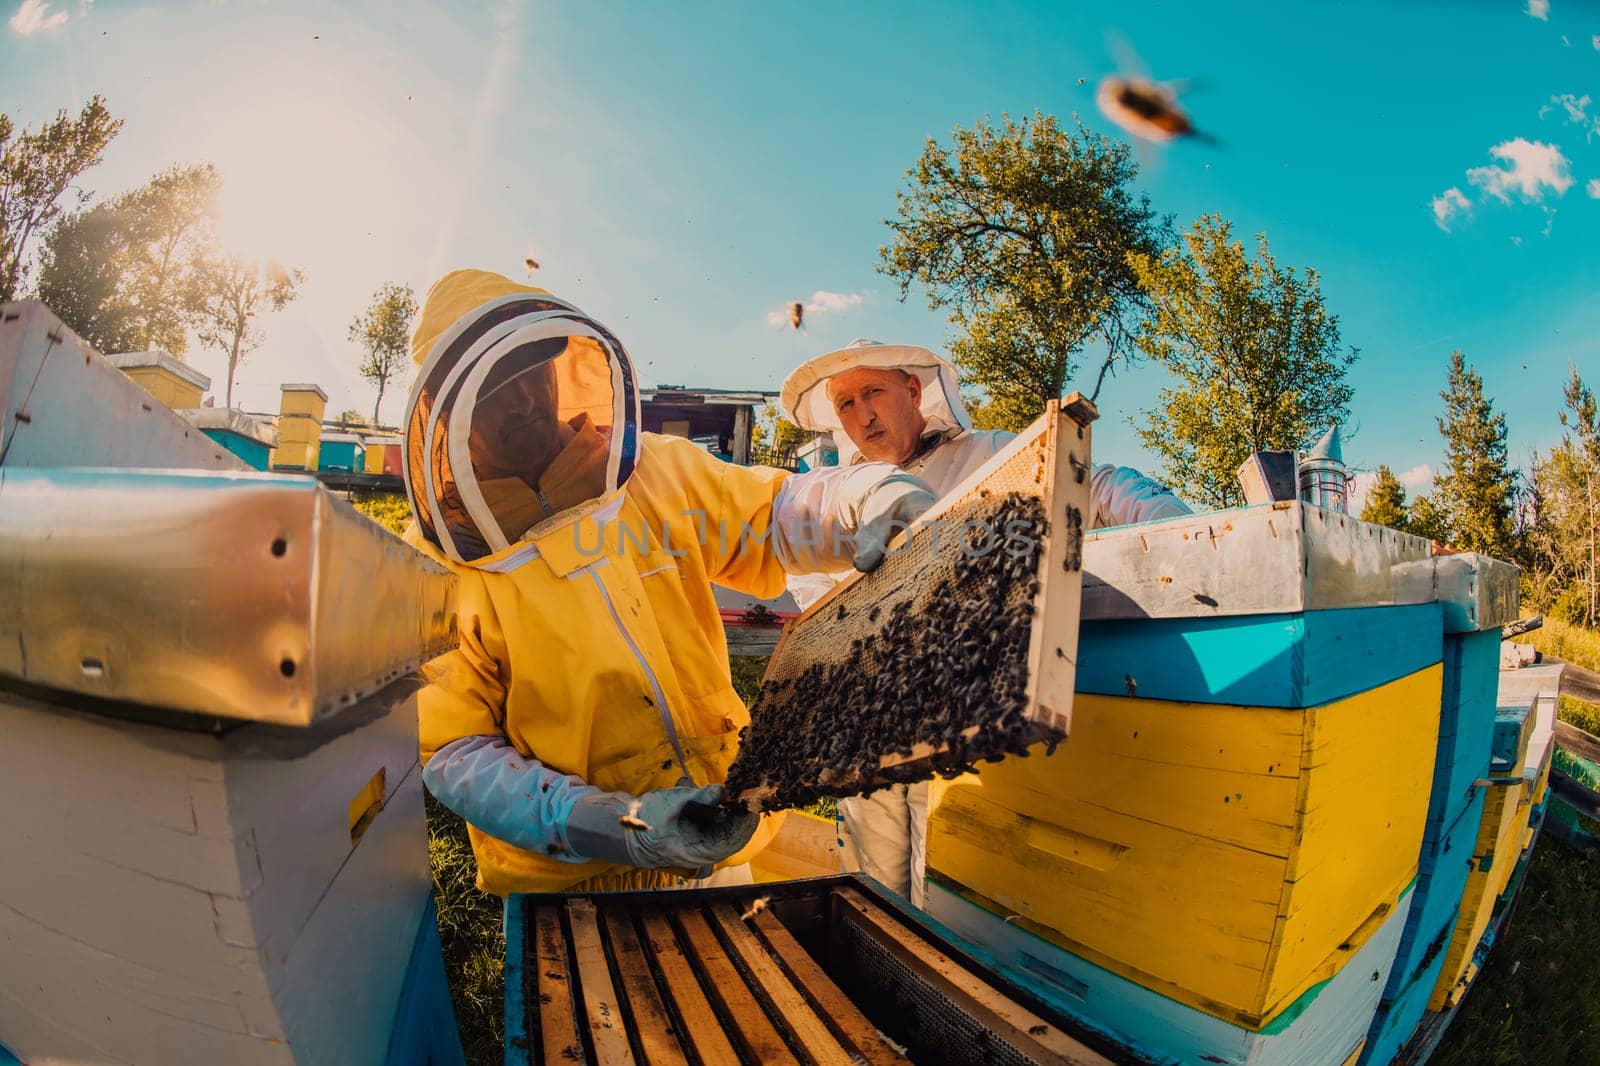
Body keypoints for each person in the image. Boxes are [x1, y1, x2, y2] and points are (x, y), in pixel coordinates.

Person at [404, 274, 934, 895]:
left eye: (533, 375)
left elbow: (772, 516)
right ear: (448, 412)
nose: (521, 402)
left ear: (563, 368)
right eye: (493, 392)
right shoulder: (438, 564)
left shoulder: (652, 471)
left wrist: (860, 495)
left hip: (720, 826)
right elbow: (456, 752)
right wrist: (610, 823)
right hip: (573, 879)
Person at [780, 338, 1192, 907]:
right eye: (845, 404)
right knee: (868, 888)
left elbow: (1091, 485)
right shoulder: (840, 497)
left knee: (943, 887)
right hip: (867, 718)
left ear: (914, 391)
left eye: (872, 391)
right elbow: (812, 591)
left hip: (960, 712)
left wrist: (1174, 527)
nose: (862, 414)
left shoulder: (985, 457)